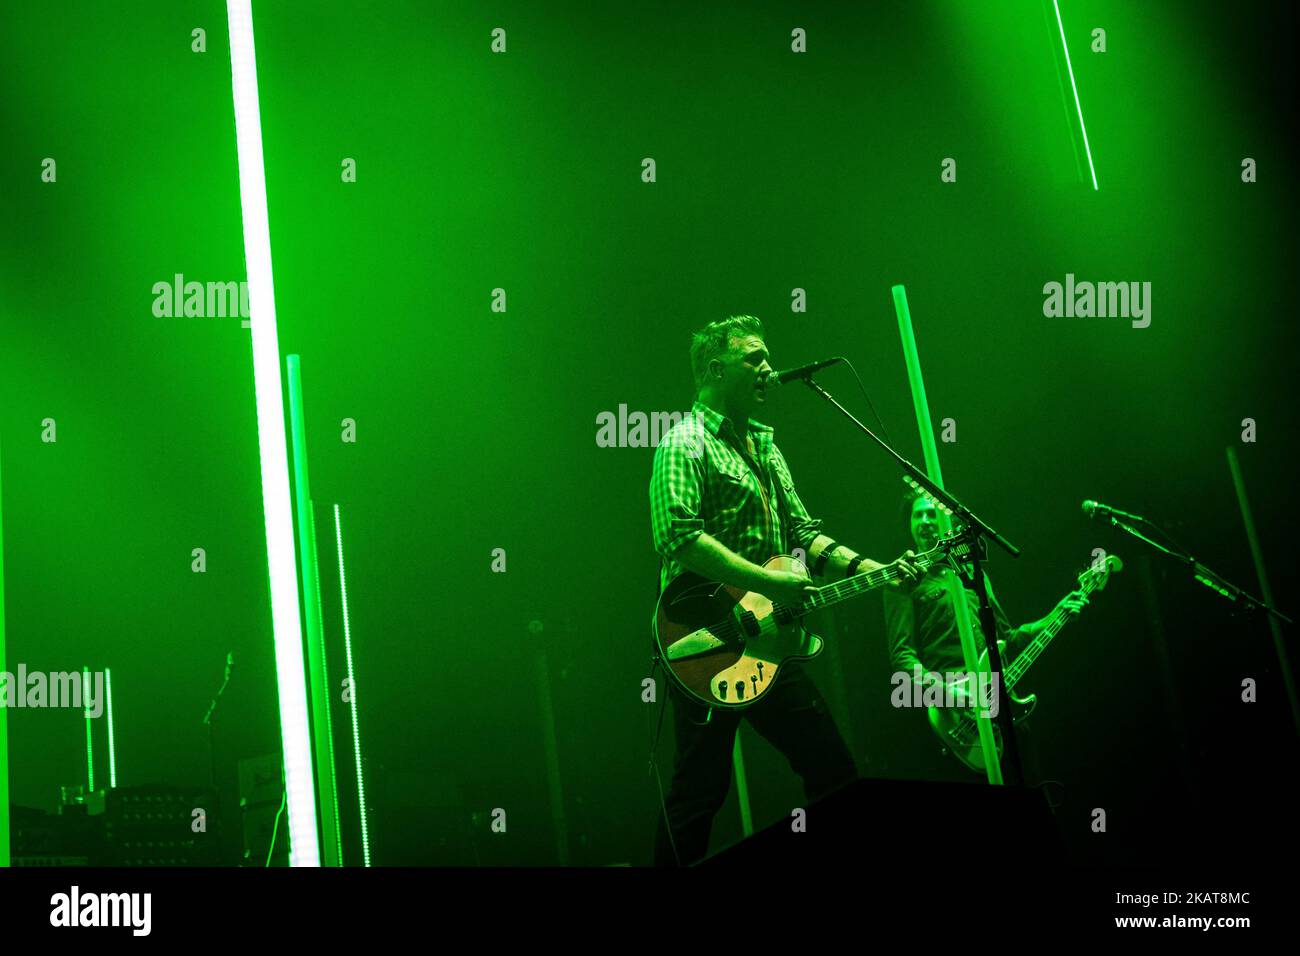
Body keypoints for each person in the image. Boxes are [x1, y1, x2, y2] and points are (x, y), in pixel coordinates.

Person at [649, 314, 918, 865]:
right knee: (699, 793)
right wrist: (770, 580)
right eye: (755, 358)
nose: (769, 369)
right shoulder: (684, 442)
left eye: (768, 358)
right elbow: (678, 537)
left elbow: (804, 535)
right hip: (704, 637)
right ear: (716, 367)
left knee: (832, 769)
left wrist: (877, 567)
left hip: (769, 641)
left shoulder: (766, 448)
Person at [883, 487, 1086, 782]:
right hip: (956, 713)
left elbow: (1006, 638)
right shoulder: (902, 580)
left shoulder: (975, 574)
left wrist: (1052, 617)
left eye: (931, 514)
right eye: (917, 516)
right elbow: (902, 657)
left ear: (949, 523)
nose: (925, 521)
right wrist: (945, 692)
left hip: (1003, 705)